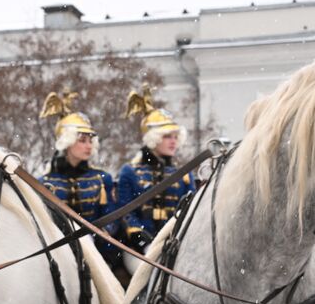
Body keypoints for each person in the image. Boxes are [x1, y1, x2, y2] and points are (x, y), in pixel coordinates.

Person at [38, 92, 124, 278]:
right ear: (68, 143)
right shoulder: (45, 183)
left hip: (98, 253)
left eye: (90, 141)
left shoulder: (102, 178)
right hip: (58, 255)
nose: (89, 146)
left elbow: (111, 219)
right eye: (82, 140)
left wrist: (96, 235)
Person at [116, 87, 197, 266]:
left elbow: (189, 212)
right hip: (138, 248)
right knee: (143, 275)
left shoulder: (183, 174)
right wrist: (143, 241)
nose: (173, 141)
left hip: (175, 245)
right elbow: (125, 212)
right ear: (153, 138)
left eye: (176, 136)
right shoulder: (130, 172)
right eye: (167, 136)